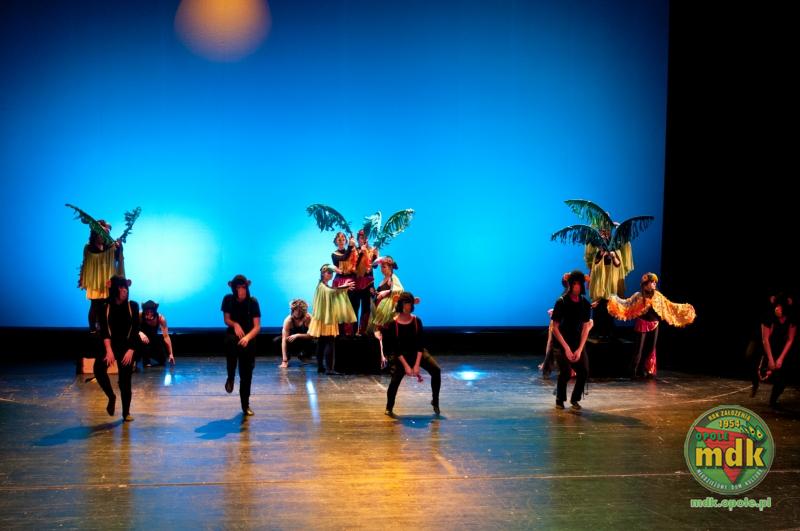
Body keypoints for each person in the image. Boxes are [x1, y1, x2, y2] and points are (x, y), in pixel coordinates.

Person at [607, 273, 696, 379]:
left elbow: (670, 305)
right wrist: (614, 298)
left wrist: (684, 308)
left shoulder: (658, 296)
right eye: (652, 282)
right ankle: (633, 371)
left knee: (650, 349)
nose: (654, 284)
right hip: (642, 324)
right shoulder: (638, 296)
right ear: (645, 284)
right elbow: (626, 303)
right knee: (638, 349)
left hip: (654, 324)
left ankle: (643, 369)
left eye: (655, 282)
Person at [381, 292, 441, 416]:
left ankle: (435, 401)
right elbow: (396, 348)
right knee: (395, 380)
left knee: (436, 370)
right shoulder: (393, 324)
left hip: (417, 352)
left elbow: (420, 344)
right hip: (401, 355)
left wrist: (417, 364)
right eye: (405, 303)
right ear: (400, 304)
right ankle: (389, 406)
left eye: (409, 304)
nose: (407, 306)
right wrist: (407, 366)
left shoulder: (416, 321)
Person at [95, 275, 139, 422]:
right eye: (121, 287)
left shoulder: (132, 306)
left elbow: (135, 329)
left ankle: (126, 412)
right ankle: (111, 396)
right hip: (111, 345)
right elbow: (105, 331)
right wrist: (109, 350)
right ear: (114, 289)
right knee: (98, 369)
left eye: (125, 287)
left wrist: (131, 350)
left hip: (127, 347)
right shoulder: (105, 307)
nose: (124, 290)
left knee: (125, 380)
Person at [550, 270, 592, 410]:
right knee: (566, 372)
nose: (577, 287)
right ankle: (560, 399)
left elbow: (586, 327)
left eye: (579, 284)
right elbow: (555, 327)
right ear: (570, 285)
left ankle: (575, 399)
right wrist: (566, 348)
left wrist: (579, 349)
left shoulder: (585, 303)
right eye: (574, 284)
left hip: (576, 342)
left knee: (583, 371)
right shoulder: (561, 302)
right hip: (561, 343)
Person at [221, 274, 261, 417]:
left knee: (246, 374)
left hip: (249, 338)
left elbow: (257, 327)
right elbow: (226, 319)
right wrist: (235, 324)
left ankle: (245, 405)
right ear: (233, 288)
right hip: (233, 336)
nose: (241, 290)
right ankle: (230, 377)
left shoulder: (253, 302)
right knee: (231, 345)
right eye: (237, 288)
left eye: (243, 287)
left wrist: (247, 337)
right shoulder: (228, 299)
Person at [308, 265, 356, 374]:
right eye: (328, 272)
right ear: (323, 274)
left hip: (324, 318)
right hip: (326, 319)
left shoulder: (324, 285)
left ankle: (321, 367)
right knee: (329, 342)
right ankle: (329, 369)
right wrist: (344, 286)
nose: (331, 274)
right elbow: (331, 292)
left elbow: (332, 291)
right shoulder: (322, 286)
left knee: (322, 342)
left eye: (331, 273)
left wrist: (344, 287)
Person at [79, 220, 124, 333]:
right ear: (95, 234)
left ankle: (105, 329)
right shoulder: (88, 247)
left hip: (107, 280)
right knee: (95, 305)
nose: (103, 237)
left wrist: (119, 247)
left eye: (105, 235)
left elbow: (117, 258)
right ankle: (93, 329)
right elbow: (85, 263)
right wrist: (83, 279)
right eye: (101, 234)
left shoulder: (110, 247)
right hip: (95, 281)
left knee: (108, 305)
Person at [753, 294, 796, 408]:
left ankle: (773, 400)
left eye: (780, 306)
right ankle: (755, 382)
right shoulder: (768, 316)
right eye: (777, 305)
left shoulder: (791, 317)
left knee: (782, 380)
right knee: (755, 363)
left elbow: (790, 339)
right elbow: (765, 339)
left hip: (780, 347)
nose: (778, 308)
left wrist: (781, 358)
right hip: (765, 346)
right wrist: (771, 359)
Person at [353, 229, 379, 335]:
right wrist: (361, 252)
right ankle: (354, 331)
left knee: (366, 308)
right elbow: (353, 266)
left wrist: (376, 255)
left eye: (365, 237)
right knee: (354, 307)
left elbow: (375, 266)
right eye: (361, 237)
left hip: (368, 283)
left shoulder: (372, 250)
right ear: (358, 239)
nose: (363, 239)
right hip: (355, 283)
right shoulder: (354, 250)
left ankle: (362, 331)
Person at [331, 232, 358, 335]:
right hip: (340, 282)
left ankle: (352, 332)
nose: (341, 241)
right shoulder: (334, 254)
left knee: (352, 306)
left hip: (351, 280)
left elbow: (357, 262)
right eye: (339, 239)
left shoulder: (352, 251)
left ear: (346, 241)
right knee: (340, 308)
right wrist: (350, 247)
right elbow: (344, 258)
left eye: (343, 239)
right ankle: (340, 332)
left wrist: (355, 247)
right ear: (336, 241)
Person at [277, 299, 314, 368]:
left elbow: (312, 335)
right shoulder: (288, 320)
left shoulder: (308, 318)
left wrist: (298, 335)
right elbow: (284, 340)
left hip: (305, 341)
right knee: (277, 340)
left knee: (315, 341)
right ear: (292, 310)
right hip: (293, 342)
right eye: (296, 310)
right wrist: (284, 360)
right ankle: (287, 357)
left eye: (300, 311)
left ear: (303, 311)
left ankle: (304, 355)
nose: (298, 313)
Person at [138, 300, 175, 367]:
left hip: (153, 340)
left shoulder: (160, 318)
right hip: (141, 341)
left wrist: (171, 354)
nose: (149, 314)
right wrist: (140, 333)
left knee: (162, 360)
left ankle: (150, 356)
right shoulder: (140, 315)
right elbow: (131, 328)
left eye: (151, 312)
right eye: (147, 312)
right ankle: (143, 360)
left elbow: (166, 336)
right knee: (141, 342)